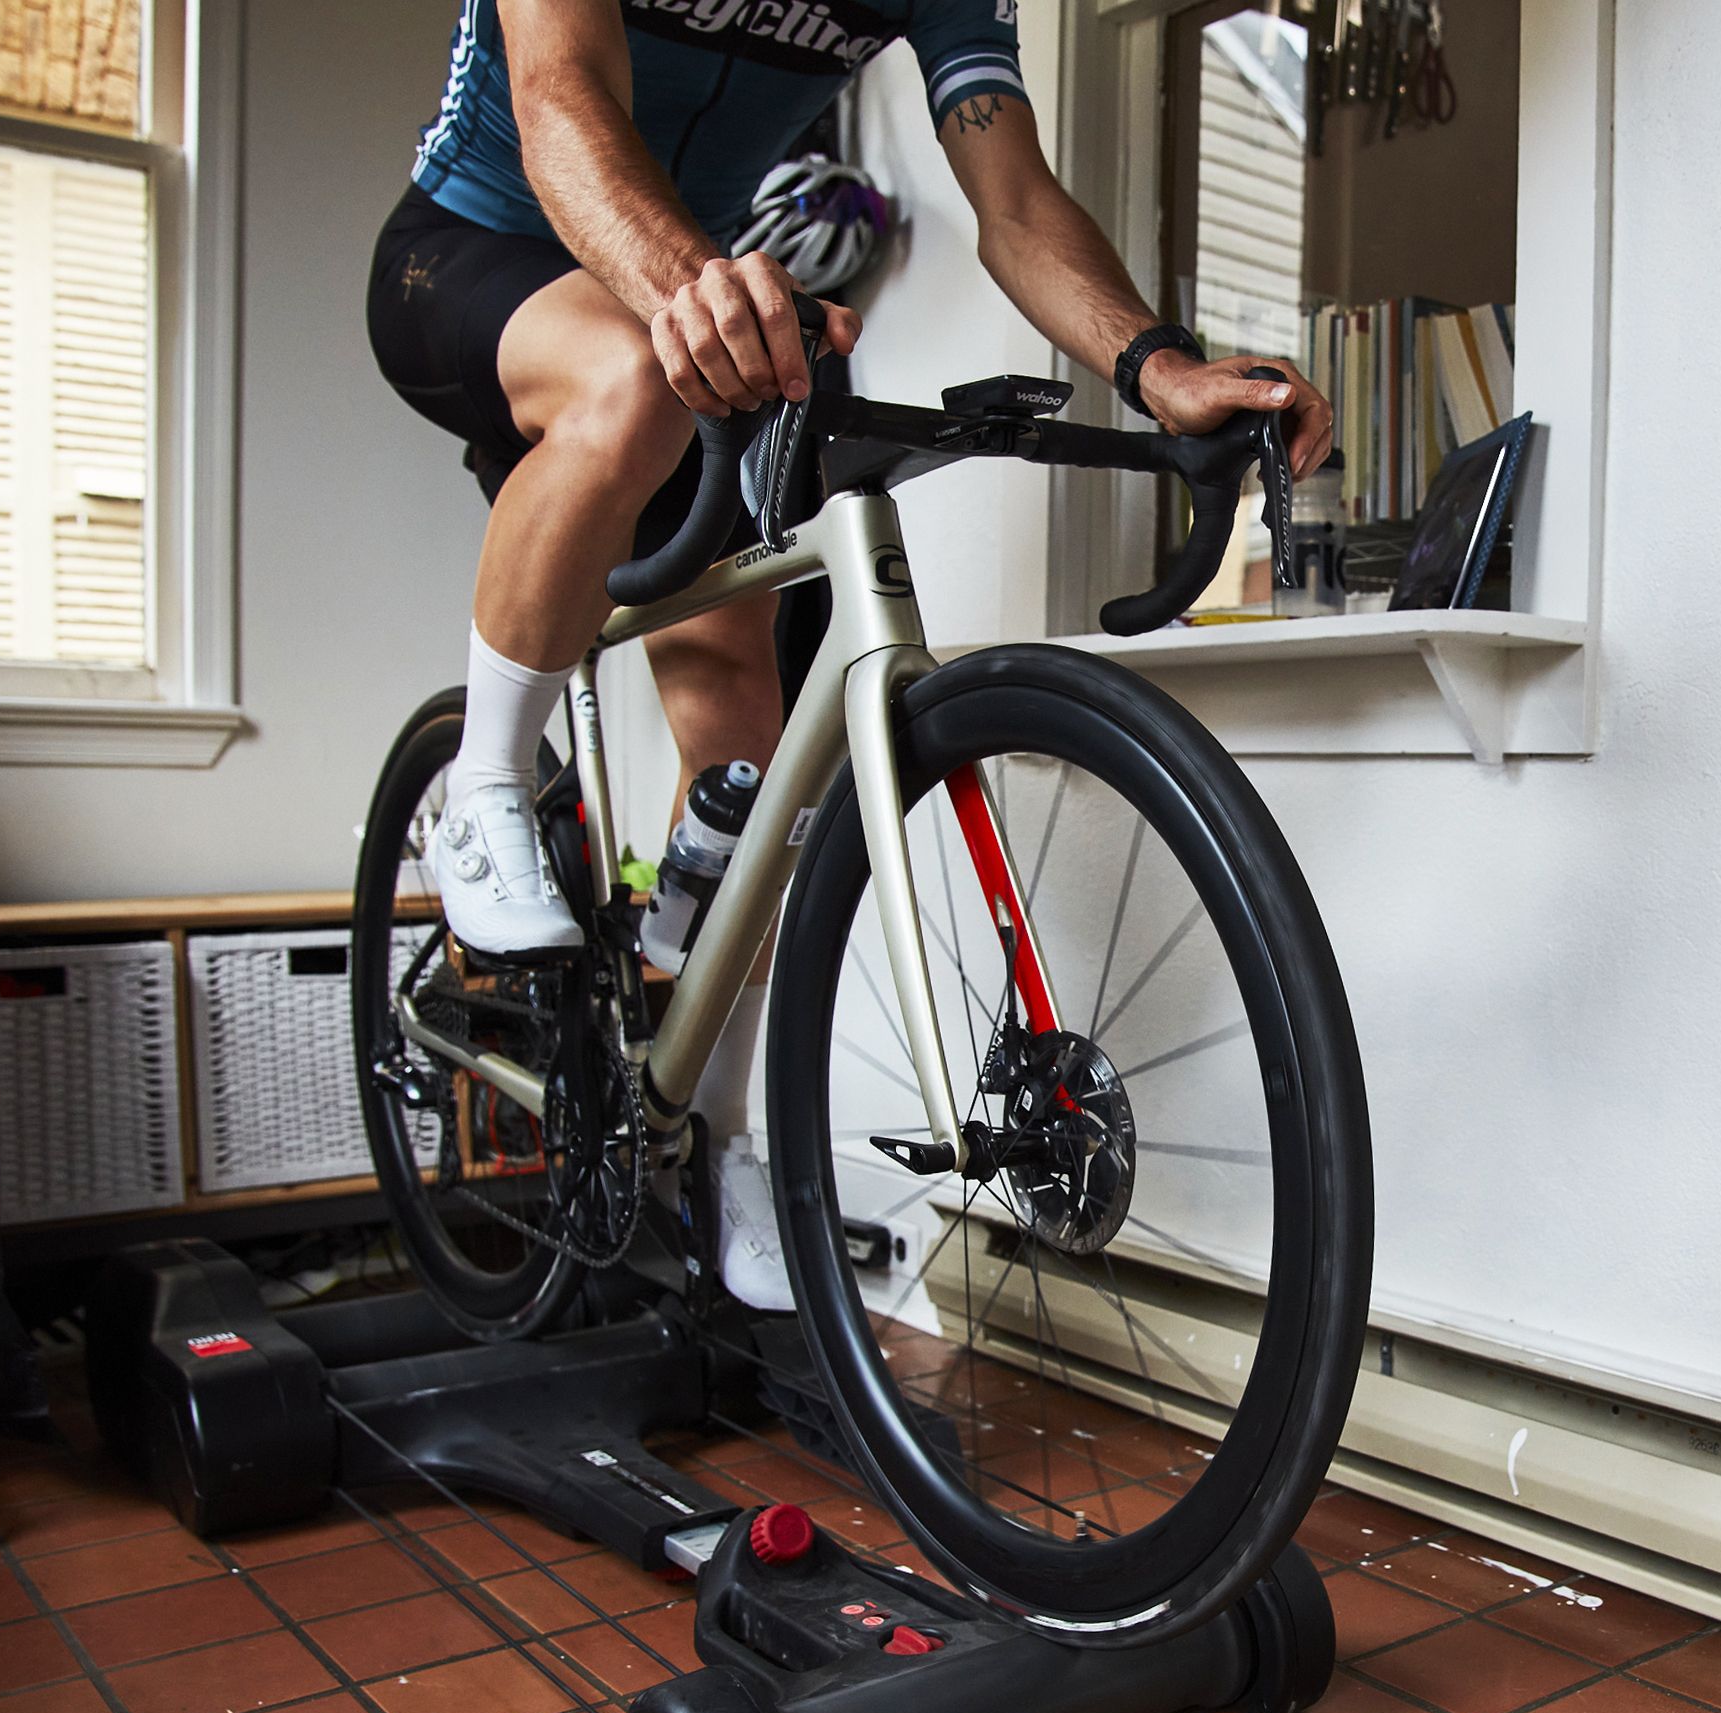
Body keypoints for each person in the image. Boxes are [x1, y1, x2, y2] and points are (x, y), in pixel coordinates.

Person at [365, 0, 1332, 1309]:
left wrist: (1155, 368)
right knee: (637, 383)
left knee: (748, 755)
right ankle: (485, 786)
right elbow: (561, 103)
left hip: (675, 297)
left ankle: (713, 1137)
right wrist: (691, 286)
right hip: (473, 257)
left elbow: (1017, 202)